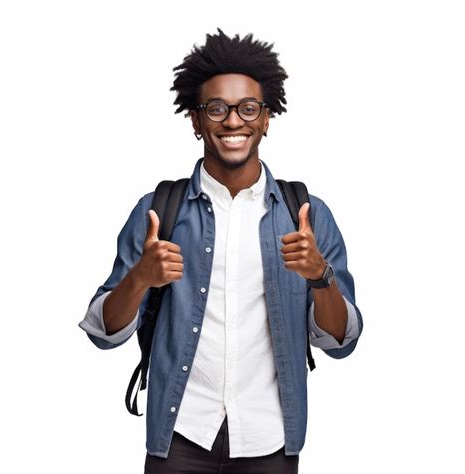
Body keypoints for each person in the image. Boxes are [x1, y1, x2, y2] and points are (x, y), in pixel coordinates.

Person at [79, 28, 363, 474]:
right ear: (196, 120)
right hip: (180, 437)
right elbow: (103, 331)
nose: (234, 122)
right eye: (217, 108)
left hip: (270, 439)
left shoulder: (305, 213)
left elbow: (340, 340)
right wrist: (140, 279)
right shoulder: (159, 210)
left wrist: (320, 276)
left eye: (248, 108)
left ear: (267, 118)